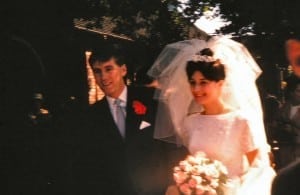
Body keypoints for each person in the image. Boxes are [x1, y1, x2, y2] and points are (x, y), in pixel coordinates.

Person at [148, 37, 276, 194]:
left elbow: (256, 170)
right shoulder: (190, 122)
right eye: (192, 82)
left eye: (203, 82)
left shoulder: (241, 121)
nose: (196, 89)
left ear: (220, 84)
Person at [68, 44, 170, 195]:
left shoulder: (151, 98)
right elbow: (89, 167)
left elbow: (171, 143)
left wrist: (172, 185)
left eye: (109, 69)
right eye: (97, 71)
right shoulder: (89, 117)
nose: (103, 77)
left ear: (123, 70)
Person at [274, 78, 300, 168]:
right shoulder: (283, 107)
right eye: (298, 91)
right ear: (291, 92)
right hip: (285, 151)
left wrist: (293, 129)